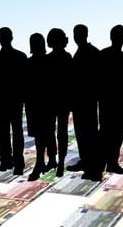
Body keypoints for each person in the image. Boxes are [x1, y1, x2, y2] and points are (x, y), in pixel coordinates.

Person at [68, 24, 102, 181]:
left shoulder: (88, 52)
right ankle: (86, 162)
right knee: (83, 135)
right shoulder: (89, 51)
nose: (76, 36)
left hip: (86, 101)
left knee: (88, 135)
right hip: (82, 100)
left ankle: (93, 170)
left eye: (77, 33)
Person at [0, 27, 27, 175]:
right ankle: (17, 163)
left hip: (1, 101)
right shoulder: (21, 56)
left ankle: (6, 162)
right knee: (16, 132)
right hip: (15, 100)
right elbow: (26, 80)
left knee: (3, 133)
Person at [98, 24, 123, 175]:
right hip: (119, 103)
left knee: (106, 134)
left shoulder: (102, 55)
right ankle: (111, 163)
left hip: (106, 103)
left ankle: (103, 164)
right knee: (116, 136)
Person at [45, 28, 73, 178]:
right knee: (61, 132)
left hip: (51, 101)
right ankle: (60, 162)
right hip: (63, 101)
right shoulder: (68, 58)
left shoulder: (47, 59)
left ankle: (54, 160)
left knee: (51, 132)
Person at [24, 33, 51, 181]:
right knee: (43, 135)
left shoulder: (29, 63)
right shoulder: (48, 62)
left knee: (41, 136)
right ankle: (43, 162)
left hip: (35, 104)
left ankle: (41, 163)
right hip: (41, 104)